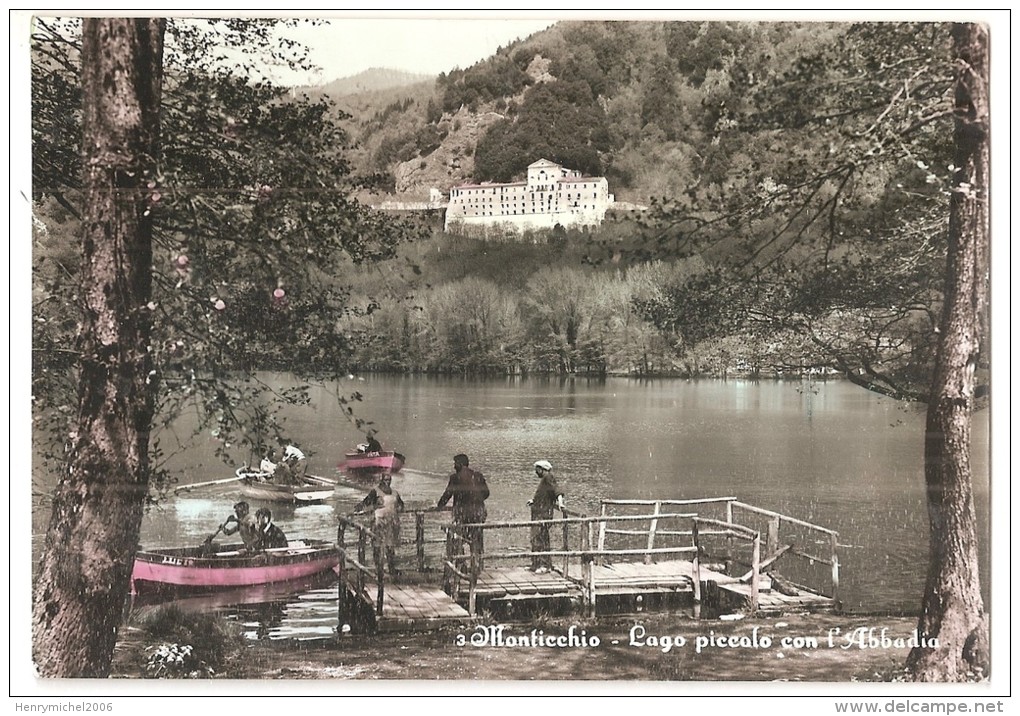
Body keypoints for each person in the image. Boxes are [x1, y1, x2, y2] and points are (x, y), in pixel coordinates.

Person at [437, 454, 490, 574]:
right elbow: (486, 493)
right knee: (476, 539)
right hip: (479, 513)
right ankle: (477, 566)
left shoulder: (455, 478)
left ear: (460, 464)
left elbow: (447, 495)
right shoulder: (478, 476)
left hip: (463, 514)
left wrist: (439, 506)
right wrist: (476, 502)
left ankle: (462, 565)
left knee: (457, 538)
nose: (454, 466)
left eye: (455, 463)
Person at [354, 473, 404, 577]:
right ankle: (378, 569)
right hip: (378, 523)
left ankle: (391, 569)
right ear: (381, 480)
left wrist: (399, 510)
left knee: (390, 547)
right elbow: (365, 503)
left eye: (389, 480)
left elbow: (401, 505)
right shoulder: (375, 492)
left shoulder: (395, 493)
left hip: (391, 523)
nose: (387, 482)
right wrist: (357, 509)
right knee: (377, 546)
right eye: (385, 479)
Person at [528, 460, 564, 573]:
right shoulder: (545, 479)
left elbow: (557, 491)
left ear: (541, 469)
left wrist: (560, 502)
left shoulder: (548, 477)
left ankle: (544, 565)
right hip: (539, 512)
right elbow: (544, 494)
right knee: (537, 538)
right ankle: (537, 564)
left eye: (537, 470)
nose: (536, 472)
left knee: (540, 538)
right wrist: (533, 501)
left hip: (543, 514)